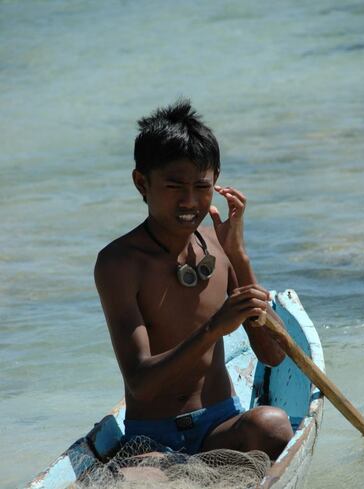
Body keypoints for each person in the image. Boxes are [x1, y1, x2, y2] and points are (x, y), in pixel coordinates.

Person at [94, 100, 293, 460]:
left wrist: (239, 256)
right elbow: (140, 384)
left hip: (220, 427)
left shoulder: (219, 244)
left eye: (201, 187)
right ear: (142, 182)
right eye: (174, 186)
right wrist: (214, 327)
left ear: (216, 182)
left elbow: (273, 354)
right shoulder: (120, 263)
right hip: (152, 439)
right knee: (146, 481)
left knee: (274, 426)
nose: (189, 201)